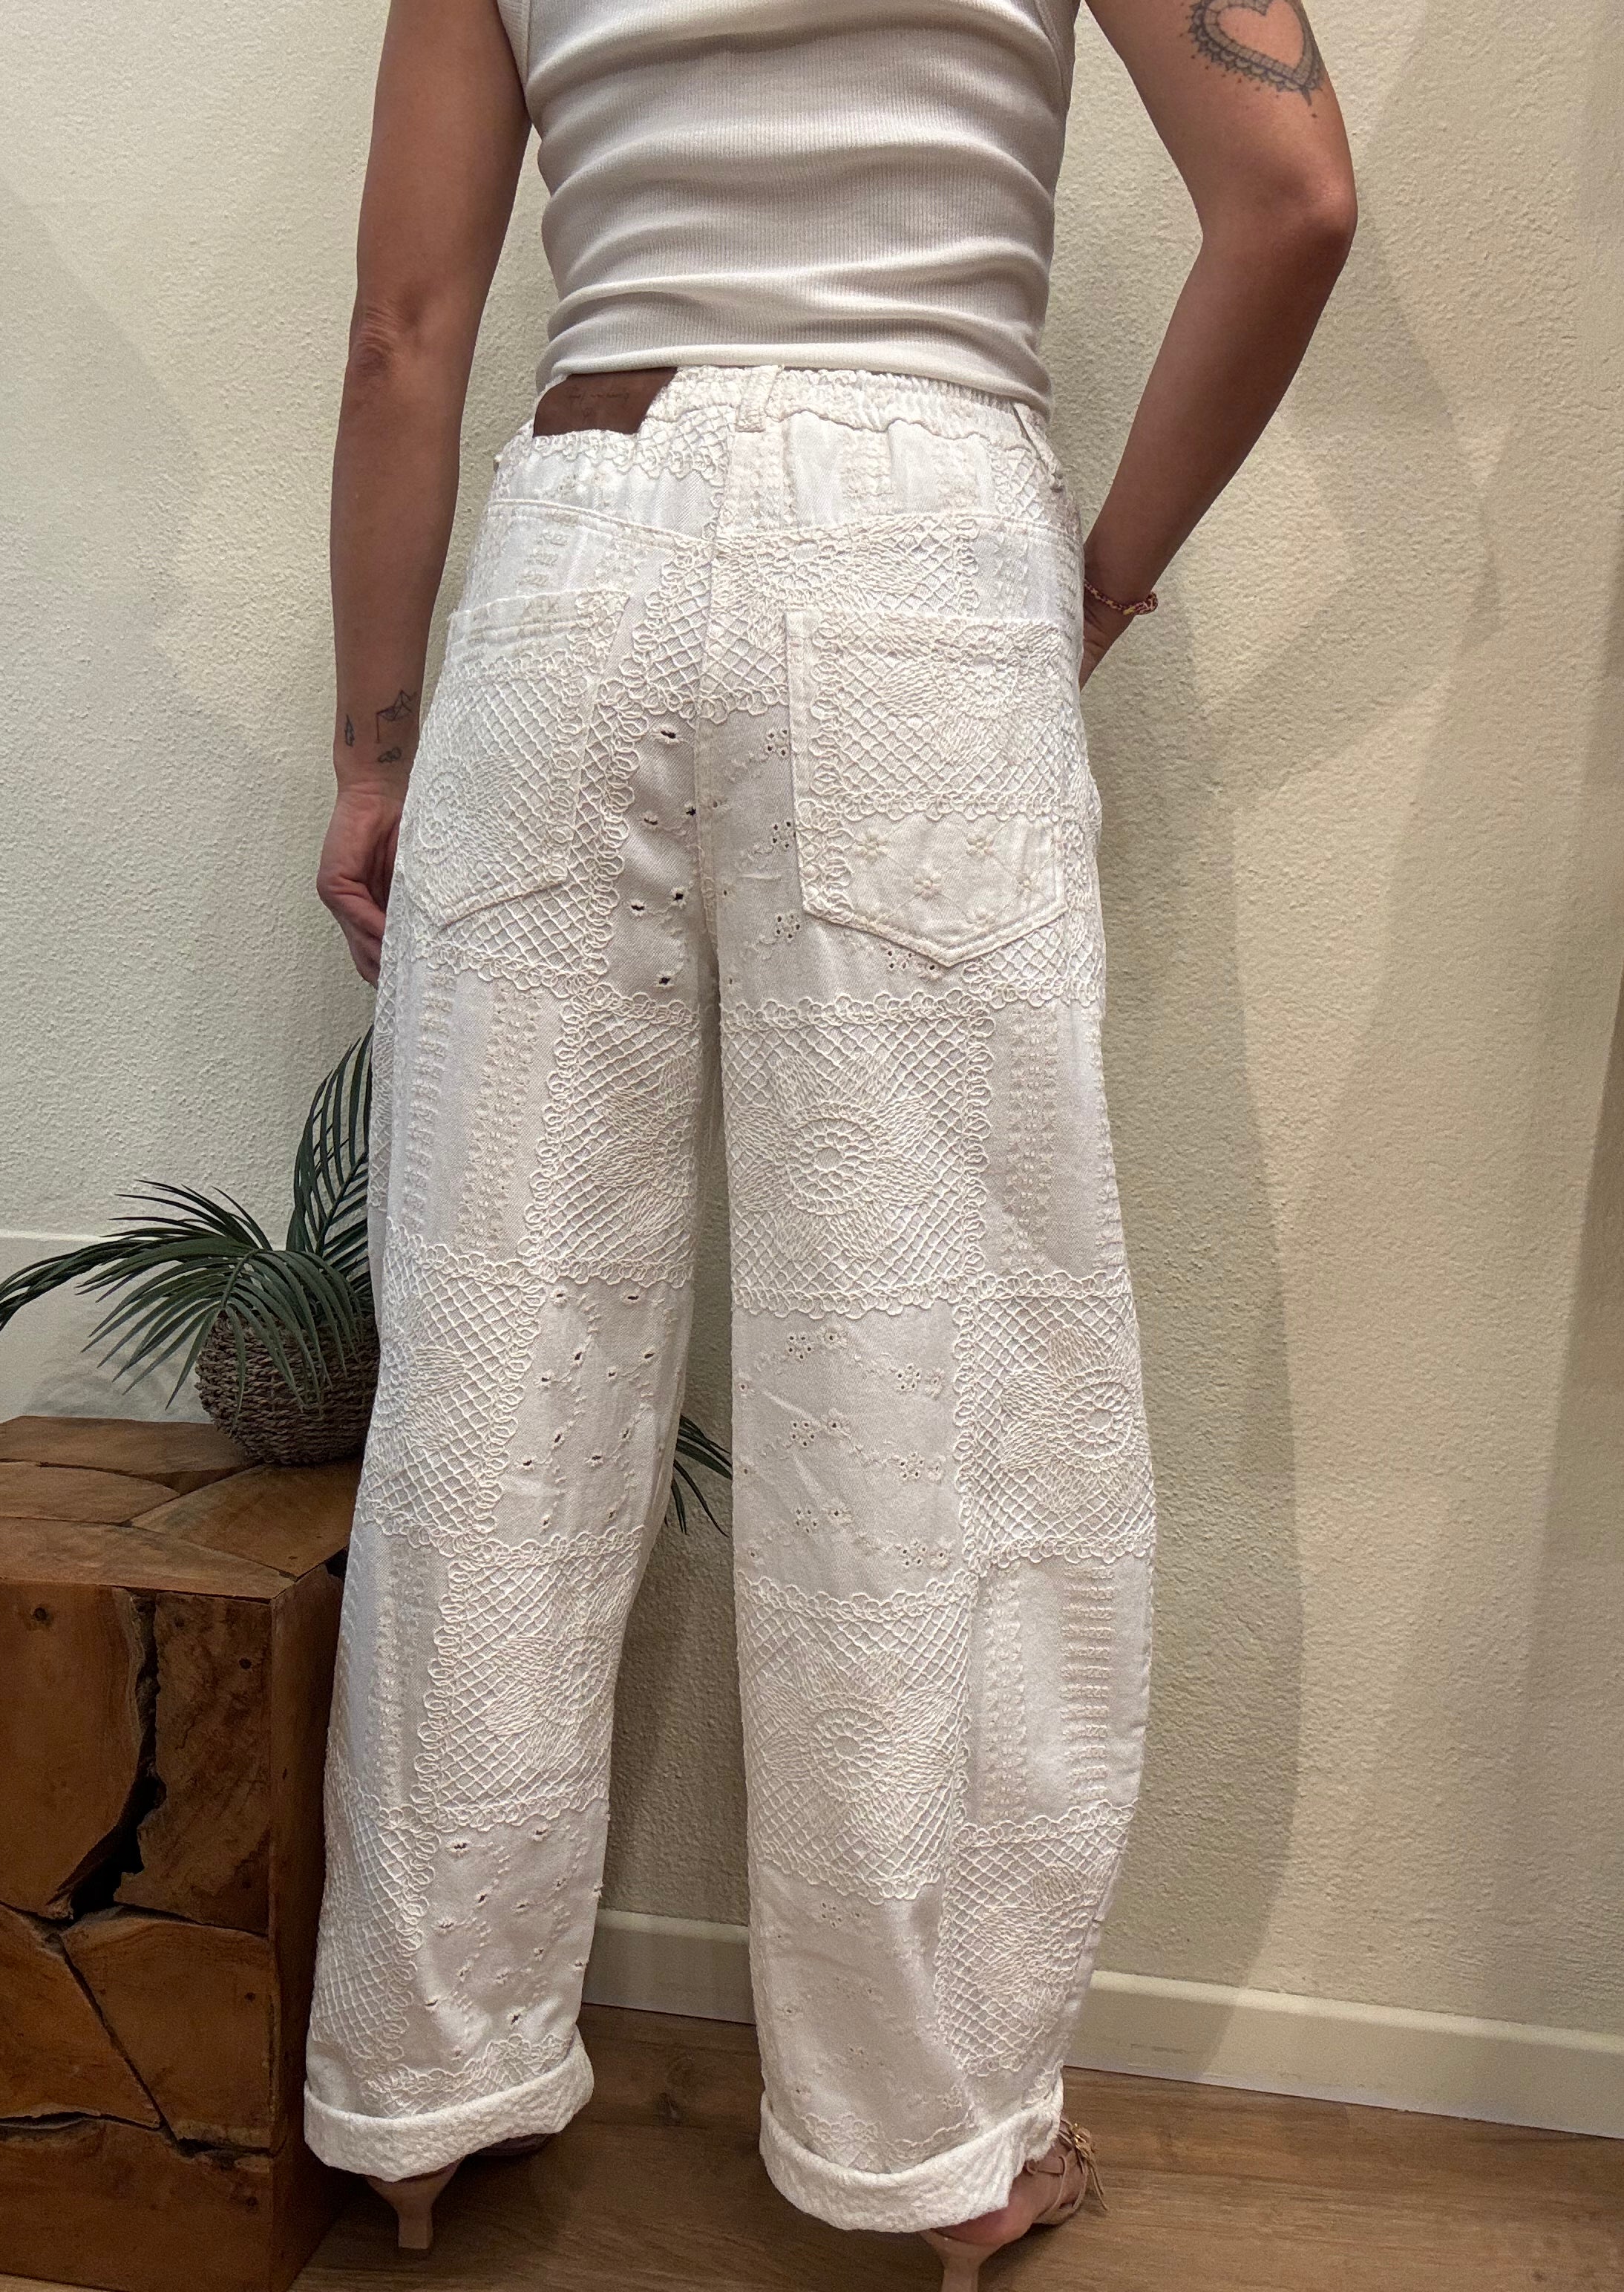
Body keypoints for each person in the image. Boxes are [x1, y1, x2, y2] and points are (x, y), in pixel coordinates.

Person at [307, 0, 1354, 2280]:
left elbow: (405, 332)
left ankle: (415, 2090)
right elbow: (1289, 200)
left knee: (496, 1367)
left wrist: (376, 745)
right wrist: (1102, 577)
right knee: (928, 1386)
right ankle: (934, 2139)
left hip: (576, 547)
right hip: (919, 540)